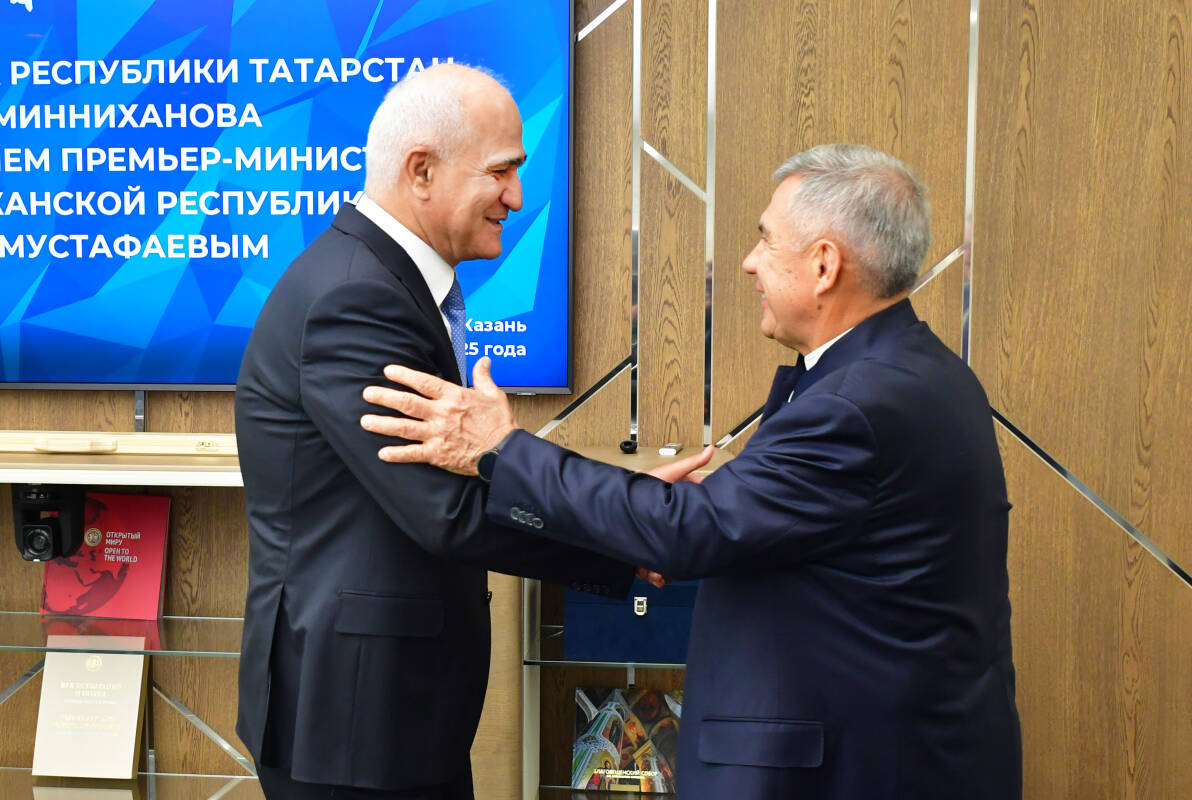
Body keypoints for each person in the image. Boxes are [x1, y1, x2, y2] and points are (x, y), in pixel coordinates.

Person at [359, 144, 1023, 800]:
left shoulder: (858, 402)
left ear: (824, 265)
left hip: (852, 769)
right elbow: (758, 525)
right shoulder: (914, 371)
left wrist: (501, 449)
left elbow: (692, 532)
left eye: (766, 240)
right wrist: (679, 514)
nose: (749, 262)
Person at [234, 64, 634, 800]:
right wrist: (628, 531)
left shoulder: (377, 280)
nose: (517, 196)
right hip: (353, 729)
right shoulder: (356, 297)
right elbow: (446, 511)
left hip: (385, 719)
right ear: (421, 171)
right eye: (501, 171)